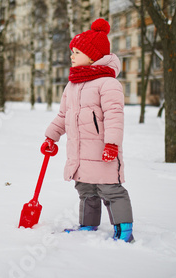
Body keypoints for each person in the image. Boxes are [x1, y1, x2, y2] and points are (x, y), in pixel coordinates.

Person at [41, 18, 134, 242]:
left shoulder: (108, 83)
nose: (71, 56)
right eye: (71, 51)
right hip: (80, 152)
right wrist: (50, 136)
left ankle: (124, 231)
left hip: (103, 151)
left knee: (110, 190)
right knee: (86, 190)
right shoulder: (72, 85)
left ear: (93, 56)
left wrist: (112, 144)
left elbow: (114, 116)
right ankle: (88, 225)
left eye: (76, 51)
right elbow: (63, 116)